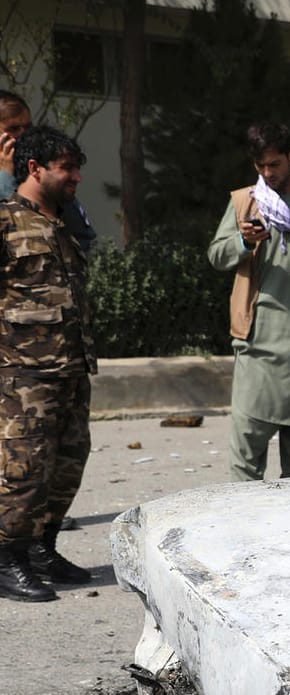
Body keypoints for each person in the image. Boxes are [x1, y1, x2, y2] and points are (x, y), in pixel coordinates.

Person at [208, 121, 290, 482]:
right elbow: (217, 256)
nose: (267, 173)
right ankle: (244, 534)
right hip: (258, 343)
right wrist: (243, 240)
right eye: (261, 167)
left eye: (275, 165)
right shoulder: (244, 202)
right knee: (245, 460)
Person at [0, 126, 94, 602]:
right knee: (25, 469)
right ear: (34, 167)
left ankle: (41, 549)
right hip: (23, 373)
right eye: (67, 168)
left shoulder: (66, 222)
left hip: (71, 367)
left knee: (68, 463)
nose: (76, 176)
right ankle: (6, 558)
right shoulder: (6, 220)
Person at [0, 91, 94, 254]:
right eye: (14, 129)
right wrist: (5, 178)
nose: (23, 135)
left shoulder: (38, 171)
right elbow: (18, 229)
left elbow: (80, 235)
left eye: (28, 127)